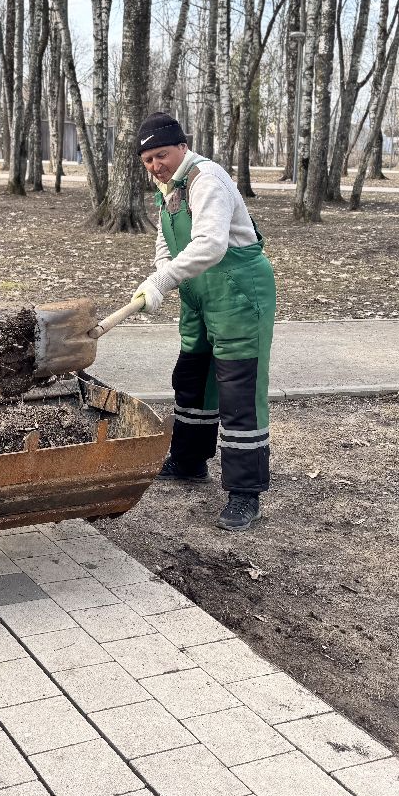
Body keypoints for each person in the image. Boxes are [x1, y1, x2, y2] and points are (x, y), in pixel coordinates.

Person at [131, 112, 277, 531]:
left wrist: (165, 277)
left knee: (238, 387)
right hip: (198, 294)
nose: (156, 165)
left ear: (181, 146)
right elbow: (166, 236)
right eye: (148, 160)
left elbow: (211, 243)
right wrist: (164, 269)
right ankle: (191, 460)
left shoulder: (205, 179)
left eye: (162, 155)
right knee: (192, 376)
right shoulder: (169, 187)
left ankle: (245, 492)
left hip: (237, 290)